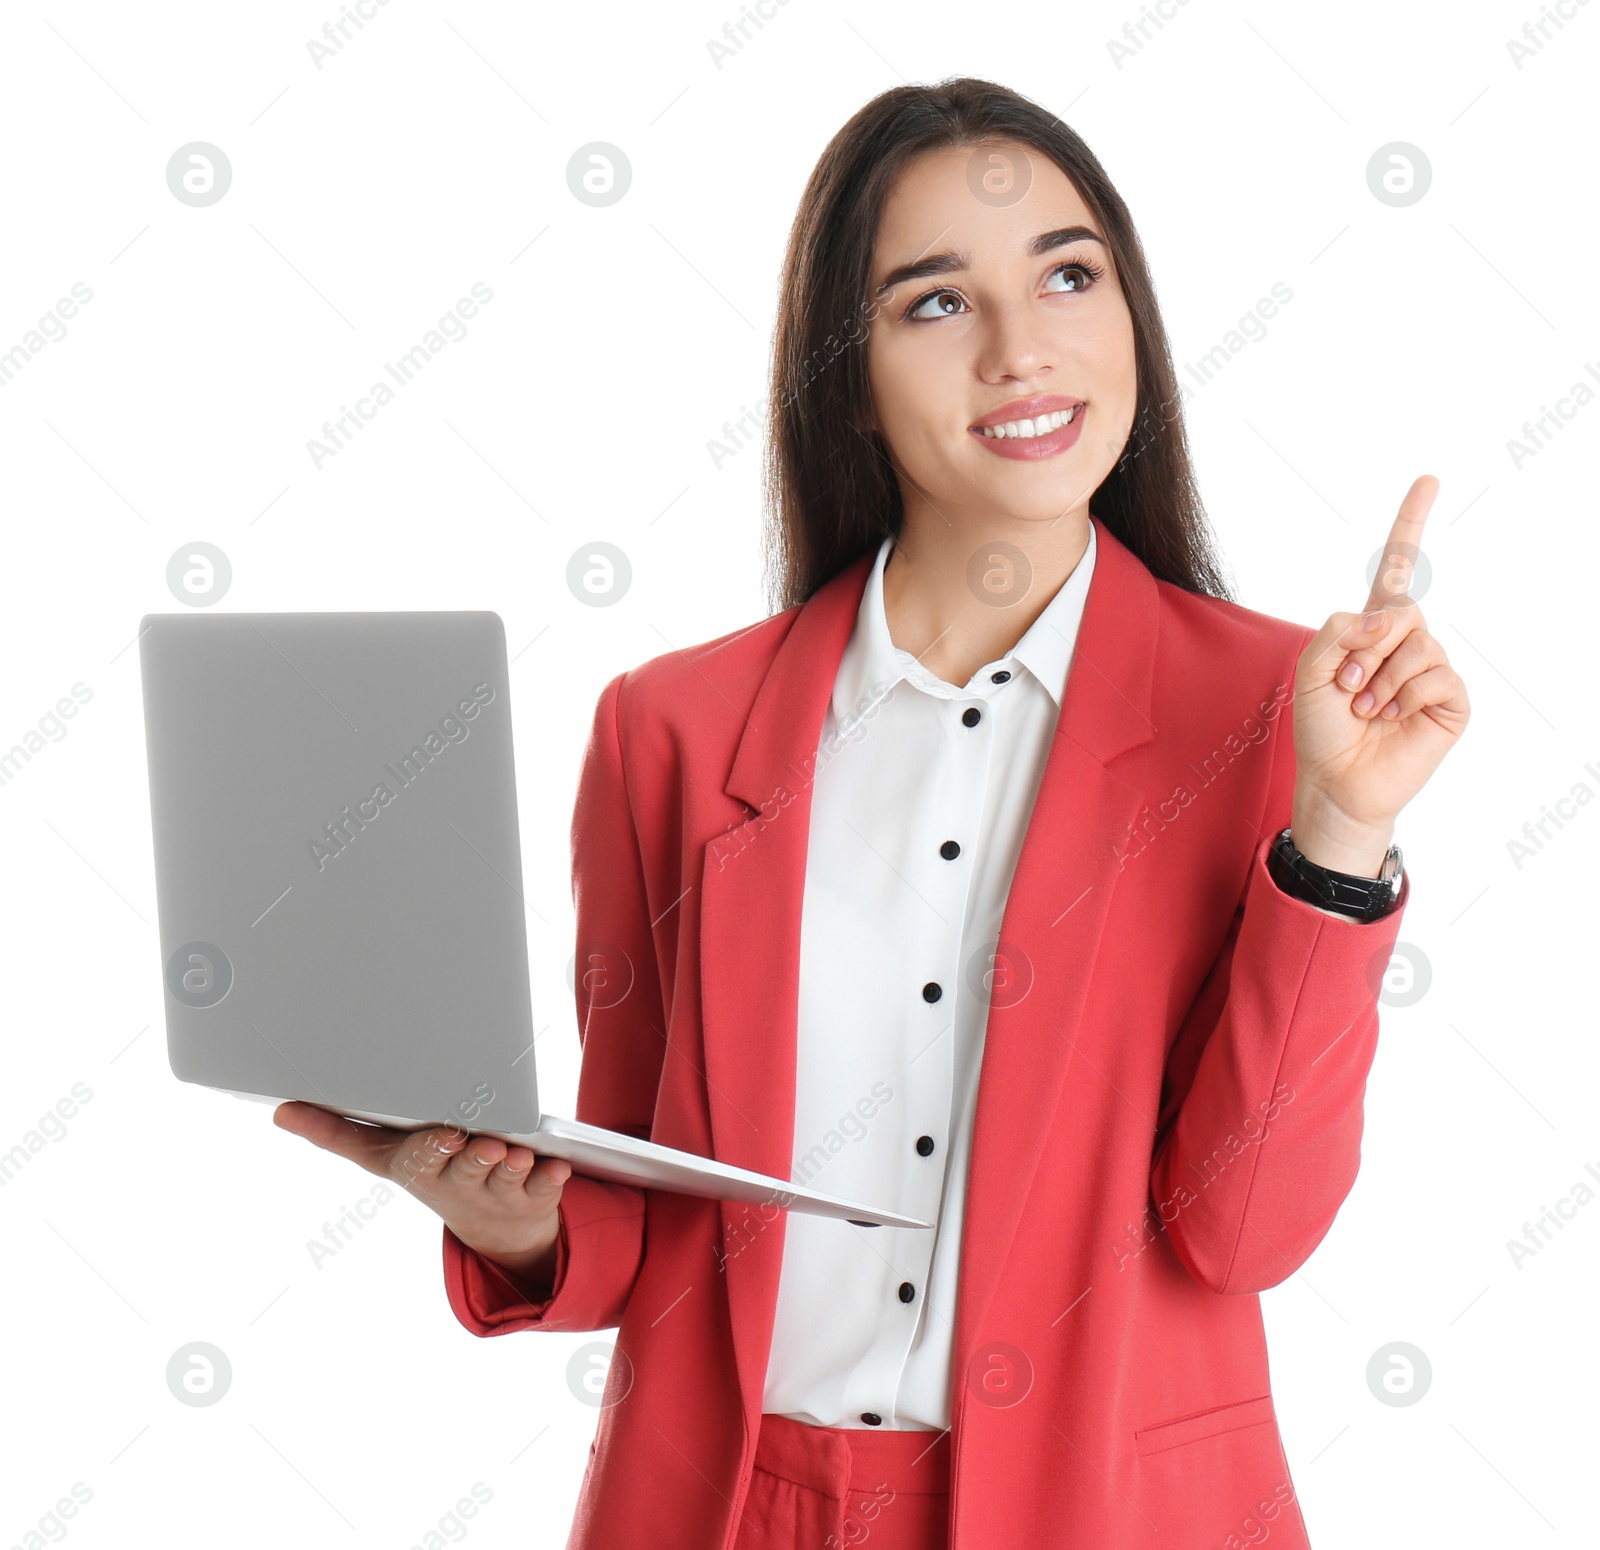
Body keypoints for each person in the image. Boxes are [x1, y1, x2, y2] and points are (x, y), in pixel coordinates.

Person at [275, 77, 1469, 1550]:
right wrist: (513, 1216)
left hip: (1109, 1512)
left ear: (1134, 319)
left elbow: (1247, 1228)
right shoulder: (673, 727)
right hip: (728, 1511)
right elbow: (649, 1205)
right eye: (934, 304)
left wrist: (1339, 835)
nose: (1024, 347)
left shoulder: (1281, 713)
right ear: (846, 370)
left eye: (1069, 274)